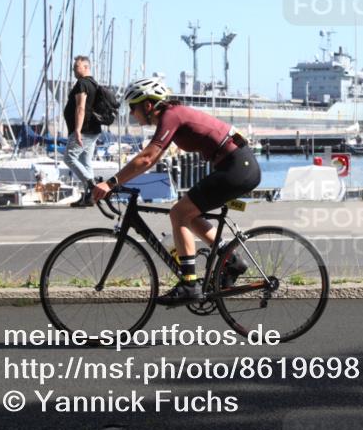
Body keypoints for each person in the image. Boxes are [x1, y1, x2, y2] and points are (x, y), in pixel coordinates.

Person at [91, 77, 261, 305]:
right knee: (188, 213)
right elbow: (151, 158)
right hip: (235, 164)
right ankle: (230, 259)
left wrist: (111, 183)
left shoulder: (171, 115)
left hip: (238, 166)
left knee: (179, 213)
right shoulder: (173, 115)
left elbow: (148, 158)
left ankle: (190, 284)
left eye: (133, 107)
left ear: (148, 105)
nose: (132, 114)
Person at [63, 56, 103, 206]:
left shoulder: (82, 84)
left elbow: (81, 108)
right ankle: (90, 197)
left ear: (86, 67)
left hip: (84, 129)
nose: (74, 69)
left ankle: (93, 187)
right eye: (74, 67)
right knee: (85, 162)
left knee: (69, 157)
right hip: (93, 129)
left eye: (77, 67)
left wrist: (78, 130)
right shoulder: (93, 83)